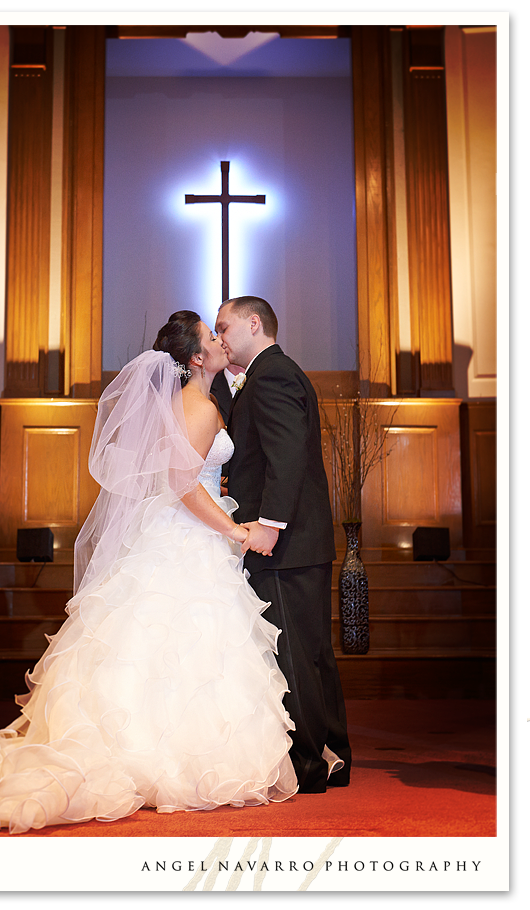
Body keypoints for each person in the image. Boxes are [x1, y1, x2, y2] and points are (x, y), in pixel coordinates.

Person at [0, 311, 315, 835]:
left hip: (179, 535)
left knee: (167, 649)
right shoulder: (198, 405)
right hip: (189, 540)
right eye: (211, 336)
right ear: (197, 358)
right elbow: (184, 484)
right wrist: (235, 531)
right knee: (185, 647)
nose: (219, 341)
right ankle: (167, 764)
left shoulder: (193, 402)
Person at [215, 296, 352, 794]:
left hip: (284, 542)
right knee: (311, 652)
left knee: (293, 653)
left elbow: (287, 455)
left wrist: (268, 526)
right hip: (301, 543)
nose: (220, 336)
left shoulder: (271, 374)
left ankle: (311, 764)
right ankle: (333, 754)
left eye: (224, 326)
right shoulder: (270, 373)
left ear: (255, 324)